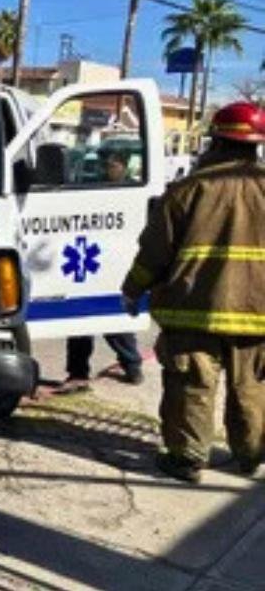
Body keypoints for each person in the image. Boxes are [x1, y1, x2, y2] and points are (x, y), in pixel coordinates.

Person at [121, 101, 265, 483]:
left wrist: (132, 289)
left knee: (192, 387)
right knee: (251, 386)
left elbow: (155, 252)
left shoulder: (187, 190)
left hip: (193, 310)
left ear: (215, 141)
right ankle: (252, 455)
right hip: (258, 313)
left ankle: (187, 459)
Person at [62, 152, 145, 392]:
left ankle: (132, 364)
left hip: (112, 259)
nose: (107, 168)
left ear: (123, 166)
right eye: (105, 164)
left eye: (113, 163)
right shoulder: (87, 188)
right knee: (78, 319)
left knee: (113, 316)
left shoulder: (130, 192)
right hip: (85, 258)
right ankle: (77, 373)